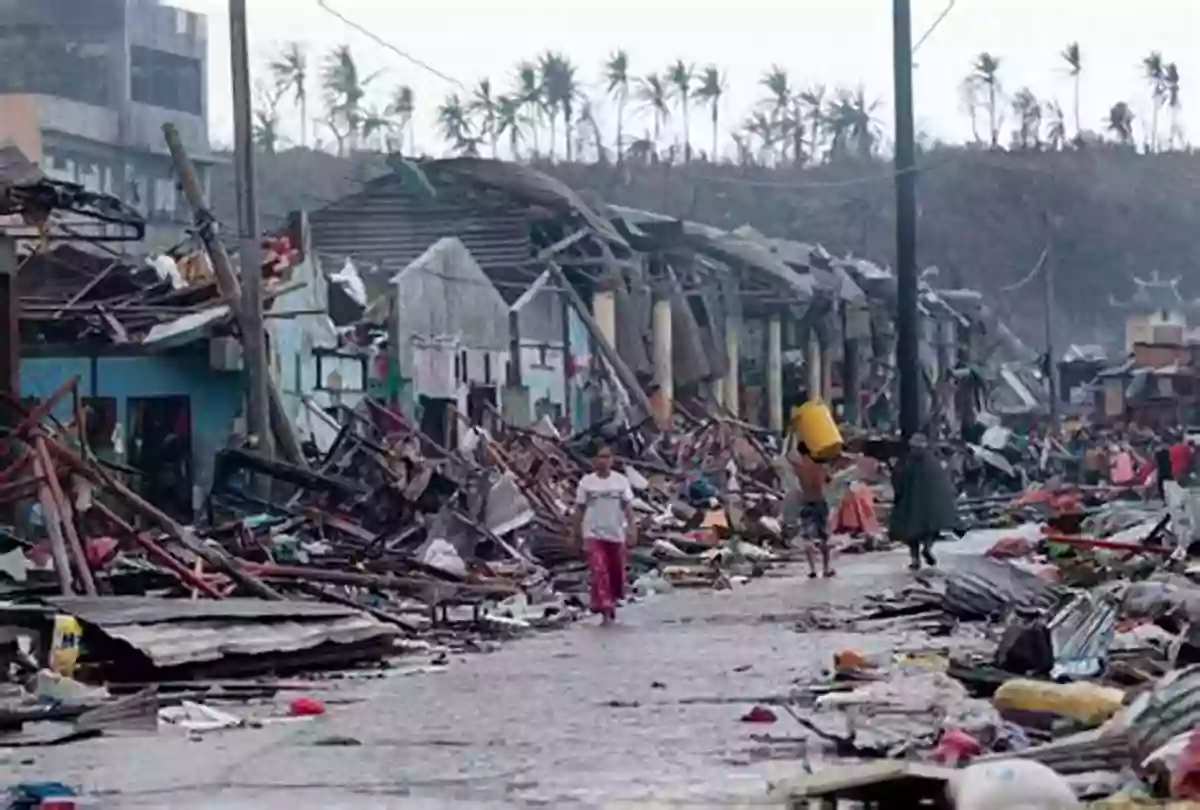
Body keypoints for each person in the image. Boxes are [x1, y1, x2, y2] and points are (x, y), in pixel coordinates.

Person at [573, 442, 637, 624]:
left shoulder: (620, 482)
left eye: (607, 457)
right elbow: (579, 510)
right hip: (593, 533)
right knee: (599, 569)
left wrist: (633, 528)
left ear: (612, 460)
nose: (603, 461)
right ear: (594, 461)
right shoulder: (587, 482)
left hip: (616, 532)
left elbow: (628, 508)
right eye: (600, 457)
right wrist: (574, 533)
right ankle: (605, 608)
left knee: (616, 571)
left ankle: (612, 601)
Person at [889, 434, 961, 571]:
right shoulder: (932, 461)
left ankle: (915, 559)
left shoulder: (907, 461)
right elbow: (943, 484)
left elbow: (898, 479)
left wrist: (898, 495)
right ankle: (927, 548)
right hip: (931, 505)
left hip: (911, 504)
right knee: (932, 529)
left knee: (911, 534)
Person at [787, 445, 834, 579]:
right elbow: (829, 480)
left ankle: (812, 569)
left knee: (807, 537)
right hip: (820, 502)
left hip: (807, 503)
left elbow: (786, 457)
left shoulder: (799, 468)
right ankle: (826, 568)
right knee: (824, 536)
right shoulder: (821, 467)